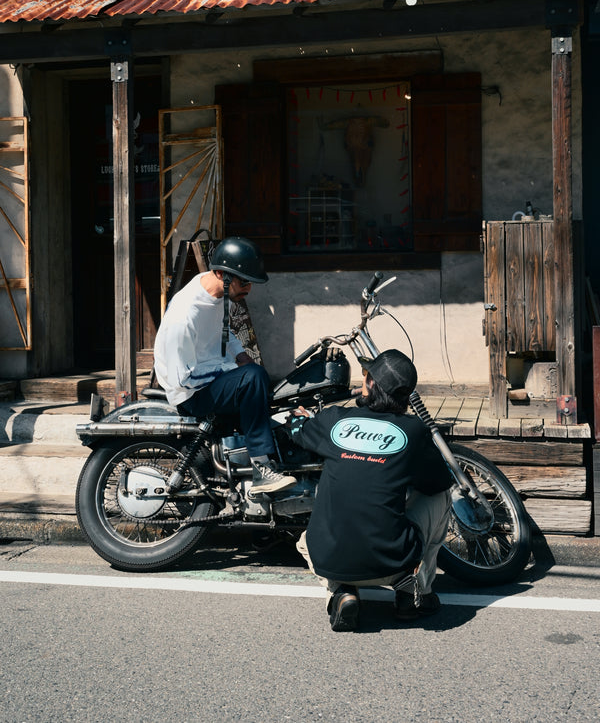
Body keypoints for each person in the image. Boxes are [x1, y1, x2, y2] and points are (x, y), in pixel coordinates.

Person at [288, 349, 452, 632]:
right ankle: (415, 591)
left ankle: (341, 592)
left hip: (328, 558)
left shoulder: (334, 419)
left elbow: (297, 430)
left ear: (372, 385)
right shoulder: (413, 431)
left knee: (305, 540)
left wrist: (300, 418)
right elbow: (438, 483)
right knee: (443, 495)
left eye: (366, 376)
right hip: (391, 561)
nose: (362, 381)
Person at [153, 236, 296, 496]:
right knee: (252, 378)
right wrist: (233, 369)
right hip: (191, 392)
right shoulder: (184, 315)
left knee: (267, 385)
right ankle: (262, 467)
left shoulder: (217, 293)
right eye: (244, 282)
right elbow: (183, 379)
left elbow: (224, 330)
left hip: (209, 377)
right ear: (221, 273)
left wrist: (241, 356)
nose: (248, 289)